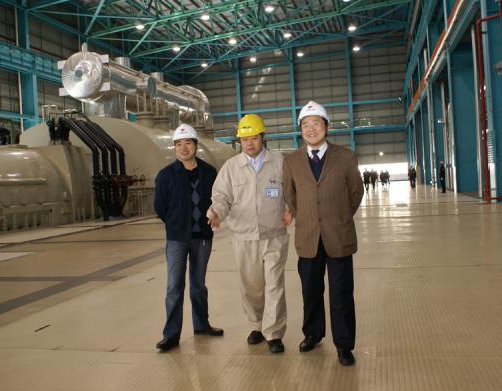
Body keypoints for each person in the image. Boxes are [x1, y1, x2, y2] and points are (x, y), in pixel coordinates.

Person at [282, 101, 364, 366]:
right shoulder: (291, 161)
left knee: (341, 294)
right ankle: (312, 334)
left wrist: (340, 216)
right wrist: (307, 218)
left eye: (315, 123)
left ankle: (344, 345)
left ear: (326, 127)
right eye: (305, 125)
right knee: (310, 291)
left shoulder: (346, 157)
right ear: (301, 130)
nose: (311, 129)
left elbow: (356, 191)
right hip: (308, 237)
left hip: (338, 235)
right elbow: (290, 195)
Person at [208, 114, 289, 354]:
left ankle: (273, 332)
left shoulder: (279, 163)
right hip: (244, 237)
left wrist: (291, 209)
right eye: (244, 140)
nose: (249, 143)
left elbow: (292, 191)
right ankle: (255, 325)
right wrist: (216, 212)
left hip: (274, 234)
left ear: (263, 137)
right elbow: (221, 197)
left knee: (274, 284)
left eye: (254, 138)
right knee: (251, 286)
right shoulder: (231, 167)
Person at [154, 124, 224, 352]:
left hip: (202, 237)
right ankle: (171, 335)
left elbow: (217, 200)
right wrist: (176, 223)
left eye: (187, 143)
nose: (183, 148)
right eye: (178, 144)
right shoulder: (166, 175)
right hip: (177, 238)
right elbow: (160, 207)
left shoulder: (209, 172)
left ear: (195, 145)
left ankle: (202, 325)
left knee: (198, 284)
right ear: (174, 148)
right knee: (174, 286)